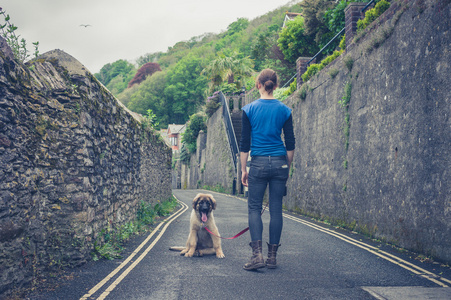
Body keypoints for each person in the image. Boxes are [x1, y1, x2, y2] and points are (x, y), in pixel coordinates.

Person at [240, 69, 295, 271]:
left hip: (258, 163)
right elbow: (290, 143)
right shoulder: (285, 110)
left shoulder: (249, 109)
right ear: (275, 86)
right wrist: (286, 167)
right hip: (280, 161)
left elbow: (245, 144)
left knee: (254, 208)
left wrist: (244, 169)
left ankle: (257, 256)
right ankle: (272, 258)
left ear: (258, 85)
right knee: (276, 210)